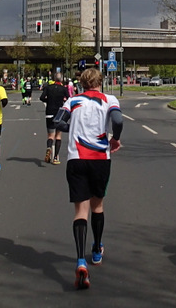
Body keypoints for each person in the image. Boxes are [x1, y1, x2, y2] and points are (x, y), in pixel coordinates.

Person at [53, 68, 123, 290]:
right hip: (100, 158)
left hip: (76, 158)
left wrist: (72, 127)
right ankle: (96, 250)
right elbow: (118, 121)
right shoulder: (109, 99)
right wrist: (115, 139)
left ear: (82, 84)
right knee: (98, 205)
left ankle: (80, 261)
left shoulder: (73, 100)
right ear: (100, 82)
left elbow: (58, 122)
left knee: (80, 211)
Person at [40, 72, 69, 164]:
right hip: (59, 113)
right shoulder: (63, 89)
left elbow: (41, 97)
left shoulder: (48, 88)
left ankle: (49, 147)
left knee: (50, 135)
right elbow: (69, 99)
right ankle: (56, 157)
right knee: (58, 136)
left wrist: (48, 100)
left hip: (49, 112)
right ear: (61, 80)